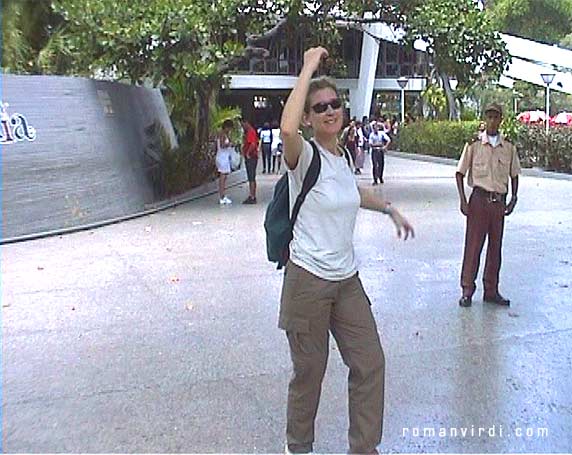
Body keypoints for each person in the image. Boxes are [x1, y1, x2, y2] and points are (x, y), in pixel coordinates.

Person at [279, 46, 415, 455]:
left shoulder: (338, 158)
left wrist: (389, 208)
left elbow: (351, 193)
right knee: (309, 373)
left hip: (346, 280)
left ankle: (363, 447)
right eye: (319, 107)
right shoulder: (303, 156)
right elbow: (287, 132)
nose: (328, 110)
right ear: (308, 117)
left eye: (334, 103)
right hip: (307, 280)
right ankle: (298, 447)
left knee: (370, 362)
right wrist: (306, 69)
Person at [456, 102, 521, 307]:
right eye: (489, 117)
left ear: (501, 119)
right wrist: (463, 200)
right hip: (478, 201)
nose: (492, 121)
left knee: (495, 248)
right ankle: (467, 290)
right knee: (473, 247)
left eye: (496, 117)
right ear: (485, 119)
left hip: (498, 203)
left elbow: (514, 174)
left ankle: (491, 290)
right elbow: (460, 173)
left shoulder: (508, 147)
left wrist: (513, 198)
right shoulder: (474, 144)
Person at [215, 119, 235, 205]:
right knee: (222, 177)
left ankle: (223, 194)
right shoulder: (222, 134)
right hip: (222, 157)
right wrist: (229, 144)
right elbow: (222, 145)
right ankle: (221, 196)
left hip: (225, 157)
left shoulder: (226, 135)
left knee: (225, 177)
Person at [240, 118, 259, 204]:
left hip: (251, 157)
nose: (242, 126)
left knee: (251, 177)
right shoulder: (248, 132)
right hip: (250, 157)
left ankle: (252, 196)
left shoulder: (251, 132)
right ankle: (252, 194)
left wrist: (248, 153)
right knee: (251, 177)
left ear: (246, 123)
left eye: (242, 124)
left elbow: (253, 144)